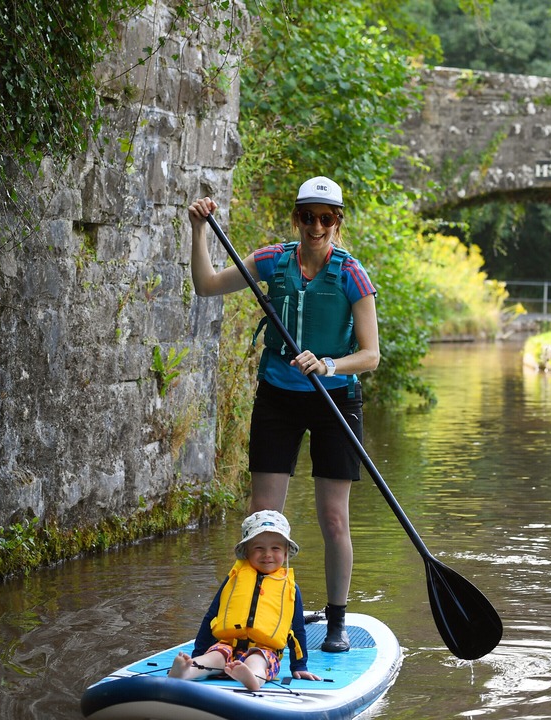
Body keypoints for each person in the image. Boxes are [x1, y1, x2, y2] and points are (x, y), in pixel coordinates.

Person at [187, 176, 380, 653]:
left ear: (338, 222)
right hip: (278, 395)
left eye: (327, 218)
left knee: (333, 518)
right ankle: (254, 615)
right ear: (296, 218)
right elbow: (206, 284)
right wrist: (198, 231)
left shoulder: (352, 274)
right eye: (308, 216)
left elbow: (371, 355)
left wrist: (329, 363)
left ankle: (335, 622)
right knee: (262, 516)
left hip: (335, 399)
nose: (317, 226)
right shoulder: (272, 260)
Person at [168, 510, 323, 690]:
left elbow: (297, 631)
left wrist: (299, 666)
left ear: (286, 553)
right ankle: (187, 670)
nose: (267, 554)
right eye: (259, 548)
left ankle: (253, 679)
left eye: (275, 548)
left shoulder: (291, 589)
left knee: (257, 659)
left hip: (264, 650)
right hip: (227, 645)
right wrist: (199, 653)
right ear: (246, 552)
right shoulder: (233, 581)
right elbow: (211, 617)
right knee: (215, 656)